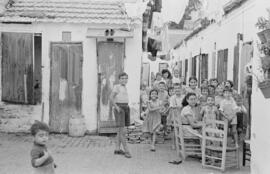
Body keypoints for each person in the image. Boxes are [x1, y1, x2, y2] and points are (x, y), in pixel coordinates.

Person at [110, 72, 132, 158]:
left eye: (125, 78)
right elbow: (111, 97)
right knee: (122, 131)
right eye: (122, 78)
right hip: (120, 108)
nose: (124, 80)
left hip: (126, 107)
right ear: (119, 80)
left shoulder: (124, 87)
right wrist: (116, 107)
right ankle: (127, 151)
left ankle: (117, 149)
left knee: (119, 131)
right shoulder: (117, 87)